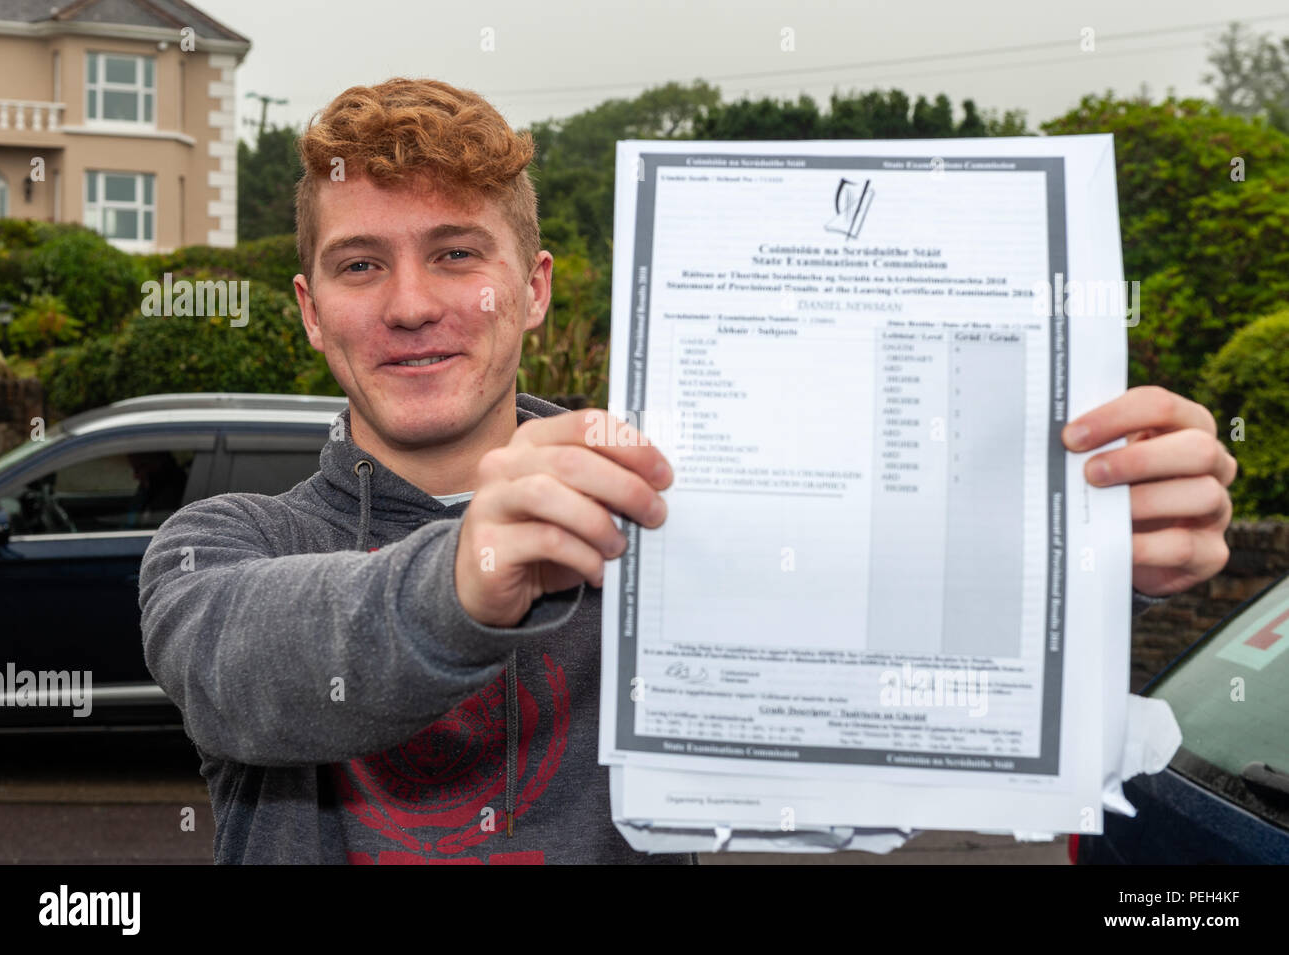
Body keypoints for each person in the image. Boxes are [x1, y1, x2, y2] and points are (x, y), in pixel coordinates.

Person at [139, 77, 1236, 865]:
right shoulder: (221, 545)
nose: (413, 302)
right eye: (360, 264)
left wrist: (1081, 549)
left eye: (457, 252)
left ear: (534, 289)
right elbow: (241, 668)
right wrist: (468, 566)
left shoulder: (677, 511)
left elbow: (885, 595)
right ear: (310, 313)